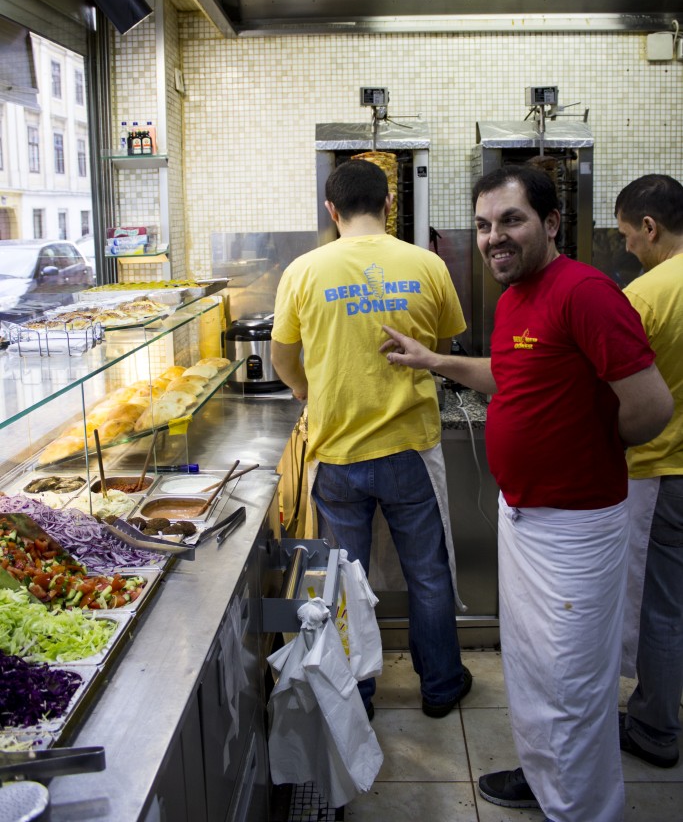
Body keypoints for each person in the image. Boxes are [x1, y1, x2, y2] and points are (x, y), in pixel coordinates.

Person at [380, 164, 673, 822]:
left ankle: (581, 808)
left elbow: (650, 407)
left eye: (509, 221)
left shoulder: (586, 293)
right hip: (526, 517)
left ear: (549, 223)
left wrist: (587, 449)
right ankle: (548, 781)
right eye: (483, 226)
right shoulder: (517, 296)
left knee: (570, 683)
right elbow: (507, 371)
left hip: (575, 525)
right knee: (535, 671)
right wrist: (434, 361)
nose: (493, 238)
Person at [271, 157, 472, 719]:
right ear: (389, 204)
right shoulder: (427, 265)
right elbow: (445, 355)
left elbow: (283, 359)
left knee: (343, 581)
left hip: (337, 451)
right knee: (427, 574)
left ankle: (356, 694)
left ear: (331, 210)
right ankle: (441, 687)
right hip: (410, 444)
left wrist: (312, 390)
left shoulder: (303, 271)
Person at [614, 173, 683, 769]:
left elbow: (621, 392)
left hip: (668, 470)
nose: (627, 248)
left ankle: (656, 726)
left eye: (627, 236)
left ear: (650, 227)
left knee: (661, 604)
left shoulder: (647, 295)